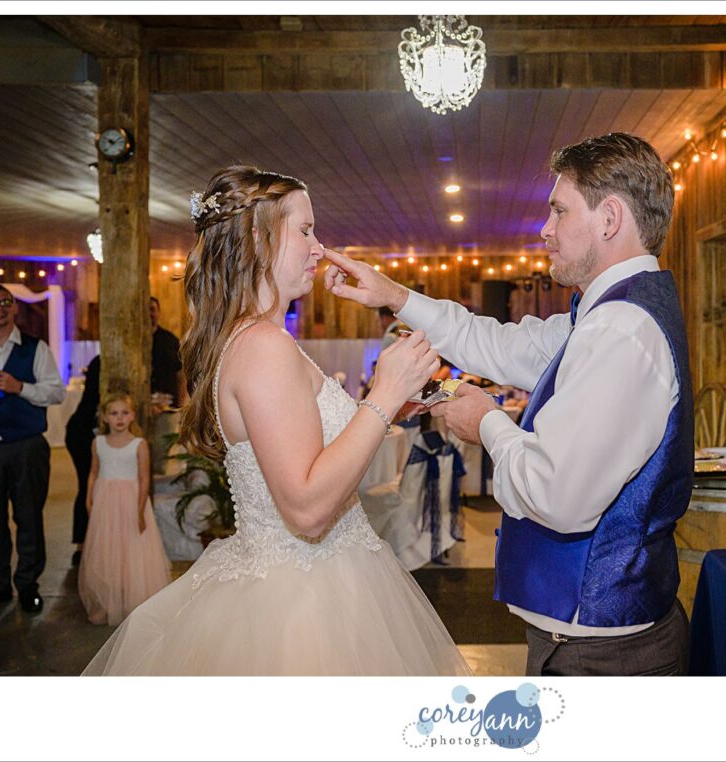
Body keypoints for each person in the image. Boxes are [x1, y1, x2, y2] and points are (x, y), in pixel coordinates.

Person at [324, 132, 693, 676]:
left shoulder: (621, 331)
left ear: (610, 219)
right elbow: (493, 343)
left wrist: (488, 422)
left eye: (559, 212)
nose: (545, 230)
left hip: (604, 653)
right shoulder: (604, 315)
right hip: (586, 637)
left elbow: (558, 496)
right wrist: (395, 295)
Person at [82, 165, 469, 675]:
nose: (319, 248)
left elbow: (309, 445)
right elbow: (306, 510)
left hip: (321, 576)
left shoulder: (259, 339)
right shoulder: (263, 347)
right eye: (305, 230)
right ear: (257, 240)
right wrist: (383, 393)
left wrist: (390, 402)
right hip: (303, 600)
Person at [0, 284, 67, 613]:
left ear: (14, 308)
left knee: (29, 516)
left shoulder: (35, 348)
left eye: (5, 302)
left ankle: (28, 584)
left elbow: (56, 393)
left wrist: (20, 387)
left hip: (28, 446)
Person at [78, 392, 171, 626]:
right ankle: (109, 604)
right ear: (105, 418)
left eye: (124, 413)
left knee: (131, 550)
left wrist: (140, 510)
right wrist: (88, 498)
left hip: (130, 503)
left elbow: (144, 479)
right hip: (105, 502)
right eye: (113, 413)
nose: (119, 418)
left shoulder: (139, 445)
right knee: (108, 550)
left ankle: (133, 604)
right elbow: (93, 472)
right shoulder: (97, 443)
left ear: (132, 416)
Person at [65, 354, 100, 566]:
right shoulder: (100, 363)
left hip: (96, 432)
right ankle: (82, 544)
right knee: (87, 484)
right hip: (82, 432)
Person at [148, 296, 187, 474]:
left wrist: (181, 404)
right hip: (135, 411)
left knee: (160, 456)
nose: (150, 314)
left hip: (167, 409)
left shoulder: (170, 340)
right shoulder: (131, 341)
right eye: (146, 309)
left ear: (159, 313)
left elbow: (181, 373)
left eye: (153, 309)